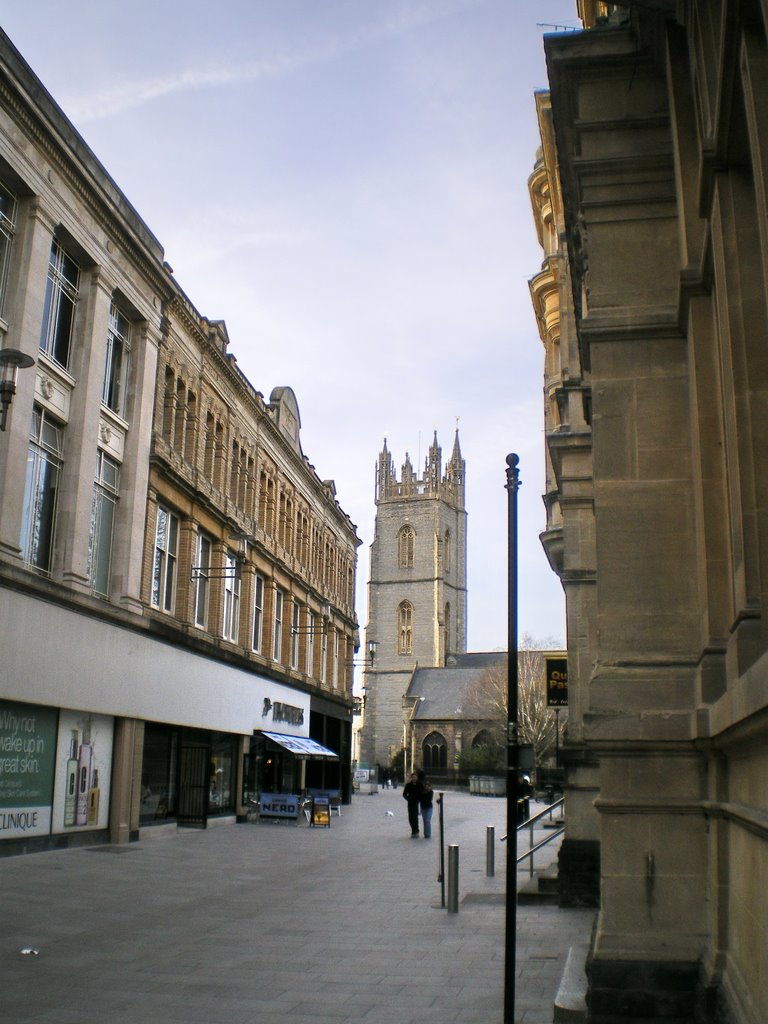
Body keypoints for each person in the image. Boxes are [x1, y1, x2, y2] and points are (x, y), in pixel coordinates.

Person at [402, 772, 421, 837]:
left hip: (416, 802)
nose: (414, 778)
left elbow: (422, 792)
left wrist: (419, 800)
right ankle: (413, 830)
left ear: (417, 778)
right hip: (410, 803)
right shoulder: (408, 785)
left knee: (415, 817)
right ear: (411, 778)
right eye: (413, 777)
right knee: (410, 818)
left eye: (415, 777)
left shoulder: (419, 784)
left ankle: (416, 831)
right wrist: (408, 799)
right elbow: (404, 794)